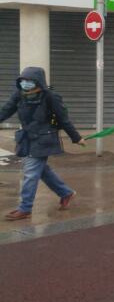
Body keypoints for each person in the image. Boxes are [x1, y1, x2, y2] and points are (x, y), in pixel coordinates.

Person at [1, 67, 84, 221]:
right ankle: (66, 193)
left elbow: (63, 119)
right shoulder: (19, 95)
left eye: (29, 81)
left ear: (38, 82)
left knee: (30, 173)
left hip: (43, 140)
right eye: (23, 81)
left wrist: (76, 138)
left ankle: (25, 208)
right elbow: (5, 111)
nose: (25, 84)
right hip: (27, 138)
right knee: (42, 171)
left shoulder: (50, 97)